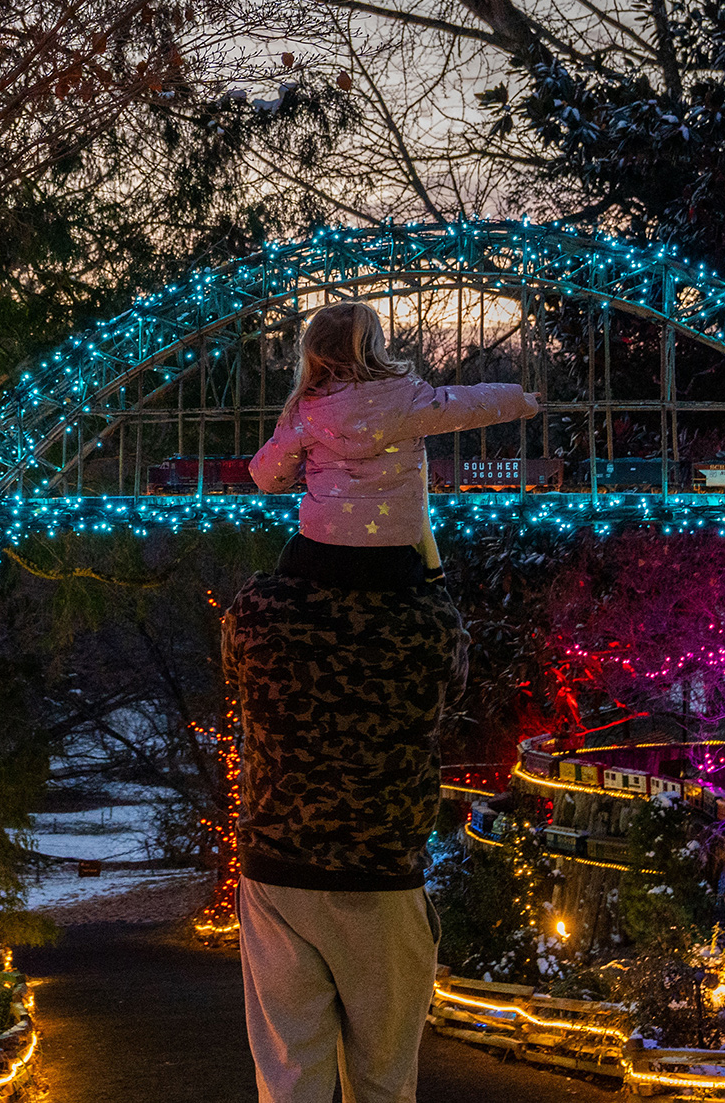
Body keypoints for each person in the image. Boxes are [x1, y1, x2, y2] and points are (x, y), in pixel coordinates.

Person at [223, 301, 538, 1103]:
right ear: (374, 346)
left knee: (289, 1087)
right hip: (380, 881)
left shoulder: (256, 616)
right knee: (383, 1086)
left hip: (279, 873)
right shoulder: (430, 630)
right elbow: (476, 403)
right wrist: (529, 398)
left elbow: (263, 471)